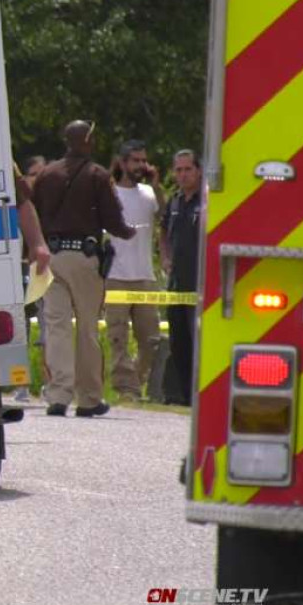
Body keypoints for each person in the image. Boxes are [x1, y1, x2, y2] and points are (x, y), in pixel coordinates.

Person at [32, 120, 135, 417]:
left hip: (50, 258)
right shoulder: (97, 175)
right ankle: (89, 398)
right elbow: (114, 221)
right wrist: (130, 232)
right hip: (84, 257)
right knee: (88, 328)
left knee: (57, 327)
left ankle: (59, 395)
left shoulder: (47, 174)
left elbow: (33, 214)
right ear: (87, 140)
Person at [105, 140, 166, 401]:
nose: (141, 165)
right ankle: (126, 390)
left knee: (151, 338)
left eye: (144, 160)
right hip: (116, 276)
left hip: (144, 276)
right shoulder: (110, 193)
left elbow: (165, 216)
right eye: (136, 161)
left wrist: (157, 186)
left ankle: (140, 381)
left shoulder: (149, 193)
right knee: (117, 337)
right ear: (122, 162)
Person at [159, 149, 203, 406]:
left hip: (200, 285)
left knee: (198, 342)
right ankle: (184, 396)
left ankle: (200, 395)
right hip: (177, 286)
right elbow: (163, 231)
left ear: (198, 170)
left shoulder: (207, 201)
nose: (183, 175)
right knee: (179, 344)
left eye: (188, 169)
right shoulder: (174, 201)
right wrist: (164, 257)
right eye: (179, 170)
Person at [13, 158, 52, 402]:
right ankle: (21, 384)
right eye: (33, 174)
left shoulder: (50, 202)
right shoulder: (19, 201)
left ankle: (51, 383)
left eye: (41, 174)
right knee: (21, 328)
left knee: (48, 328)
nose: (37, 179)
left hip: (42, 270)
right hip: (19, 268)